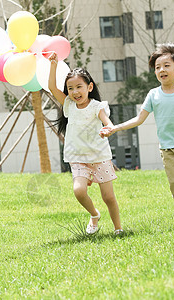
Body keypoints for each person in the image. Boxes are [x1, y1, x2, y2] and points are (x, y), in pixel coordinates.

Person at [100, 43, 174, 227]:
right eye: (157, 67)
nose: (161, 70)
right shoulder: (153, 95)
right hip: (168, 149)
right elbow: (139, 119)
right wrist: (115, 128)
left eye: (166, 66)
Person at [48, 52, 123, 235]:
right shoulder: (68, 105)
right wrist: (53, 65)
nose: (75, 92)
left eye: (79, 87)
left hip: (100, 157)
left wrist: (109, 128)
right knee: (79, 191)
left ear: (89, 87)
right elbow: (51, 87)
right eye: (70, 88)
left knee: (108, 197)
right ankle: (94, 214)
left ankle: (118, 228)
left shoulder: (97, 106)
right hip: (78, 158)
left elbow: (107, 121)